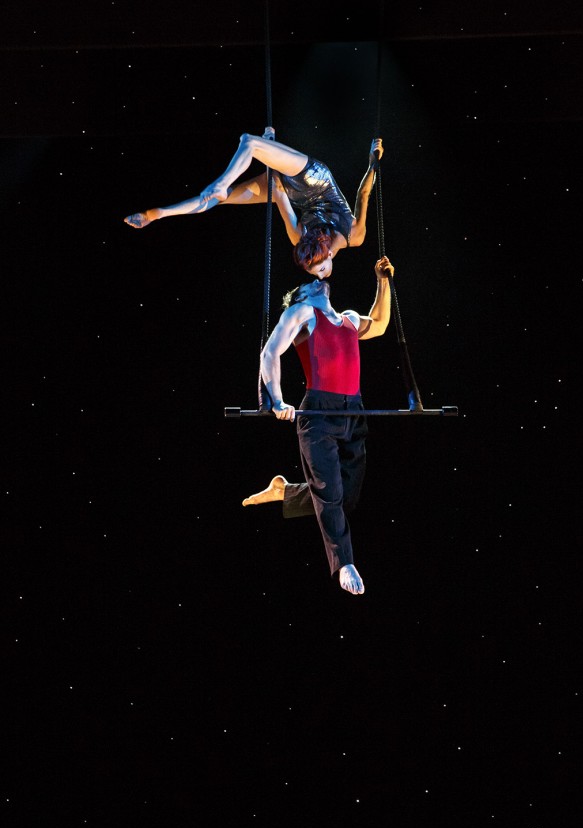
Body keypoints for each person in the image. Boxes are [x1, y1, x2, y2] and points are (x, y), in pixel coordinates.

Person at [242, 254, 394, 595]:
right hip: (319, 415)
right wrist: (277, 400)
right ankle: (344, 563)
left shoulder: (349, 319)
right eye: (308, 284)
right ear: (300, 297)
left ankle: (286, 492)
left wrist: (383, 282)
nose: (316, 281)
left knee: (347, 496)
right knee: (330, 493)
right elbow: (269, 353)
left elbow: (380, 323)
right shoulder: (302, 312)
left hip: (353, 412)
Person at [124, 129, 383, 277]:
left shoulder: (306, 238)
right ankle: (224, 182)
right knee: (248, 142)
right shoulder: (348, 236)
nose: (320, 275)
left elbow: (278, 192)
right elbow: (363, 194)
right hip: (314, 178)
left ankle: (158, 213)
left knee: (219, 197)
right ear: (327, 255)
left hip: (292, 191)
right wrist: (374, 162)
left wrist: (373, 162)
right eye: (321, 270)